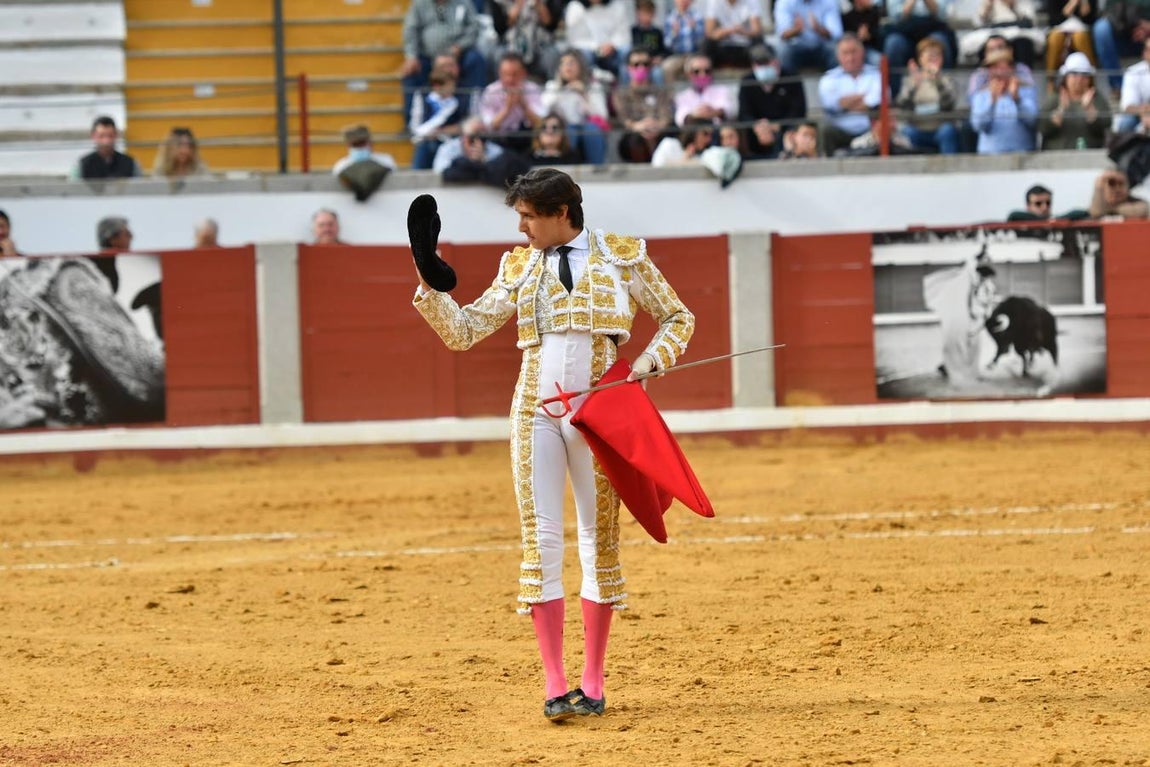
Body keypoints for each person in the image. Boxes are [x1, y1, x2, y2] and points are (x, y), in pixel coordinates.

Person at [410, 167, 695, 722]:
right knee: (540, 541)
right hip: (533, 410)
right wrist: (428, 283)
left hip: (599, 413)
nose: (521, 228)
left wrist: (647, 362)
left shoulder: (622, 255)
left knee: (597, 538)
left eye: (528, 217)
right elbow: (464, 332)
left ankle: (593, 681)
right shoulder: (518, 265)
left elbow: (677, 317)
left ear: (562, 212)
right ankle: (555, 684)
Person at [400, 0, 489, 123]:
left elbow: (474, 27)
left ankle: (475, 115)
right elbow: (410, 30)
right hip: (429, 56)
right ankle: (412, 121)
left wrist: (459, 46)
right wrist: (411, 56)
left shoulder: (463, 3)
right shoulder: (419, 4)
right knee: (411, 70)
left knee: (476, 60)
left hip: (459, 54)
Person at [923, 246, 998, 385]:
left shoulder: (987, 286)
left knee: (974, 347)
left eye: (987, 277)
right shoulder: (969, 280)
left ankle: (971, 371)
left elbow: (986, 302)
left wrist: (986, 312)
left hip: (976, 320)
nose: (986, 279)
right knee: (958, 344)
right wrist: (980, 253)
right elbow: (970, 266)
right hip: (965, 319)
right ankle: (949, 367)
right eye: (985, 276)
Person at [736, 43, 808, 159]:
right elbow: (744, 113)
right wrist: (758, 126)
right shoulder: (747, 81)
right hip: (757, 132)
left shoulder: (791, 77)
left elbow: (799, 110)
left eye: (766, 62)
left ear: (776, 61)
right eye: (759, 63)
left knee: (794, 131)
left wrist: (779, 125)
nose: (763, 67)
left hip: (785, 128)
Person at [818, 34, 885, 156]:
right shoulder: (829, 78)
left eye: (854, 52)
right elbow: (832, 104)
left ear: (862, 52)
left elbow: (878, 101)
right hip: (840, 131)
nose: (850, 58)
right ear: (838, 56)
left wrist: (846, 105)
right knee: (825, 129)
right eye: (845, 53)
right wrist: (862, 98)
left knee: (884, 126)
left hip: (869, 130)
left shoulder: (875, 74)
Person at [541, 51, 610, 165]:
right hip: (564, 127)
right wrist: (561, 90)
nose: (568, 67)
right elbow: (543, 111)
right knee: (569, 130)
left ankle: (598, 168)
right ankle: (565, 170)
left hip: (587, 127)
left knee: (591, 130)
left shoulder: (593, 86)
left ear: (580, 66)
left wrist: (584, 95)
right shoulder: (552, 86)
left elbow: (602, 116)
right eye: (563, 63)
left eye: (571, 63)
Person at [895, 37, 959, 154]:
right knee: (907, 132)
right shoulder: (910, 81)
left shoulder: (947, 80)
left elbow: (949, 106)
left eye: (937, 55)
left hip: (939, 128)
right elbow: (903, 106)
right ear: (920, 58)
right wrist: (914, 86)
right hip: (917, 128)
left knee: (948, 131)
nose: (933, 58)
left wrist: (938, 82)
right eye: (930, 55)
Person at [969, 47, 1038, 154]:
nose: (998, 72)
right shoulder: (981, 94)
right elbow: (978, 125)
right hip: (990, 155)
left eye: (1001, 67)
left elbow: (1033, 121)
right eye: (993, 67)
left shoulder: (1026, 90)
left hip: (1023, 154)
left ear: (1011, 68)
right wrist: (992, 101)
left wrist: (1017, 99)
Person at [613, 49, 676, 162]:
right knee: (634, 141)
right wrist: (638, 126)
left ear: (651, 67)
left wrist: (657, 126)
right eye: (636, 64)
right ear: (628, 68)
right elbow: (623, 117)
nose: (641, 68)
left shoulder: (660, 91)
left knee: (670, 138)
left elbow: (665, 115)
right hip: (634, 133)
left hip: (658, 131)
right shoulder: (621, 93)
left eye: (645, 64)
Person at [882, 0, 957, 95]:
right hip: (904, 31)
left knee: (940, 41)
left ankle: (945, 92)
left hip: (933, 27)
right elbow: (896, 15)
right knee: (893, 44)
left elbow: (941, 14)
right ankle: (896, 95)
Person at [478, 52, 546, 155]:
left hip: (527, 140)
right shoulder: (491, 91)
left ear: (523, 73)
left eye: (515, 74)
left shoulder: (532, 89)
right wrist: (507, 108)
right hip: (500, 140)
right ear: (499, 73)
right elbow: (489, 126)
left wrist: (523, 105)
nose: (509, 79)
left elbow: (540, 123)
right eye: (505, 74)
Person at [1039, 52, 1109, 150]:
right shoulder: (1054, 99)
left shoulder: (1097, 99)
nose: (1079, 79)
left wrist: (1090, 111)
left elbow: (1105, 127)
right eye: (1074, 74)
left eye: (1084, 75)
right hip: (1057, 156)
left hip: (1090, 156)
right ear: (1065, 77)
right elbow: (1042, 128)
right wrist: (1060, 112)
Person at [488, 0, 564, 81]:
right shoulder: (499, 2)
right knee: (497, 54)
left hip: (540, 44)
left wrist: (538, 5)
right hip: (510, 44)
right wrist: (518, 6)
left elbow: (551, 26)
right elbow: (499, 28)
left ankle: (553, 86)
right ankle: (499, 87)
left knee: (552, 54)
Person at [960, 0, 1044, 69]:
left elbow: (1030, 21)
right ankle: (986, 76)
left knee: (1023, 43)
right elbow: (977, 23)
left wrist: (1013, 6)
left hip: (1018, 30)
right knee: (989, 44)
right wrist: (987, 7)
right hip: (992, 30)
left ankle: (1023, 75)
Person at [409, 66, 465, 170]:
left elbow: (460, 126)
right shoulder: (424, 98)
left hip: (448, 140)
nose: (453, 88)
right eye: (449, 85)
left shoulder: (457, 102)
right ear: (437, 86)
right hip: (426, 140)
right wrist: (427, 133)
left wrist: (441, 131)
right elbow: (415, 123)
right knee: (425, 147)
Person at [563, 0, 631, 79]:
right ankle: (585, 84)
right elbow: (575, 39)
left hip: (612, 50)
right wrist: (597, 47)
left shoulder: (617, 5)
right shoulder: (575, 7)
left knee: (626, 51)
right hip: (588, 50)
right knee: (584, 55)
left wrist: (612, 45)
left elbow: (623, 34)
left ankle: (625, 84)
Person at [1092, 0, 1150, 92]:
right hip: (1120, 36)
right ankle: (1119, 86)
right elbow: (1110, 12)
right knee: (1101, 29)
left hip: (1146, 39)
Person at [772, 0, 843, 73]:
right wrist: (796, 29)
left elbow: (836, 33)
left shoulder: (829, 2)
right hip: (796, 47)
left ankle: (836, 78)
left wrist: (818, 29)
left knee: (836, 47)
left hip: (822, 46)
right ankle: (789, 80)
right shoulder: (784, 2)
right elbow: (782, 34)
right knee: (783, 50)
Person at [72, 116, 141, 180]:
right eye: (101, 136)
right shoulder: (82, 165)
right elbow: (73, 188)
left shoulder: (130, 163)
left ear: (116, 135)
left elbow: (139, 187)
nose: (106, 141)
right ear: (93, 136)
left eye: (110, 136)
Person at [674, 54, 734, 126]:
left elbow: (728, 110)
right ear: (688, 74)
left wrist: (712, 112)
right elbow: (680, 118)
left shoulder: (722, 90)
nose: (702, 75)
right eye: (696, 71)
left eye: (707, 71)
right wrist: (696, 115)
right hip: (694, 130)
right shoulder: (682, 96)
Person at [703, 0, 765, 70]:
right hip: (722, 45)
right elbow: (709, 33)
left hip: (746, 46)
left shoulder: (751, 1)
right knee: (706, 43)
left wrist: (743, 31)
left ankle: (761, 70)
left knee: (759, 41)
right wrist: (727, 31)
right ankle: (702, 72)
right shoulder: (713, 2)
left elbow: (757, 31)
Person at [1045, 0, 1097, 74]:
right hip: (1059, 28)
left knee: (1080, 38)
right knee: (1055, 38)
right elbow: (1053, 21)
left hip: (1082, 29)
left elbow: (1089, 20)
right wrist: (1073, 3)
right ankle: (1051, 77)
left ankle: (1091, 75)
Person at [662, 0, 707, 83]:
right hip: (677, 55)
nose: (683, 2)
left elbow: (703, 41)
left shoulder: (697, 16)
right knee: (667, 67)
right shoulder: (670, 18)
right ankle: (671, 91)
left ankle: (696, 91)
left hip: (694, 54)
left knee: (693, 68)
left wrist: (694, 29)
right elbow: (667, 44)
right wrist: (674, 34)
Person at [629, 0, 670, 84]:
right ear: (638, 14)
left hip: (653, 64)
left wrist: (660, 58)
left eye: (648, 13)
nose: (646, 16)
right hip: (638, 63)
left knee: (657, 73)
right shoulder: (634, 31)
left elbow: (664, 50)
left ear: (653, 14)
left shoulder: (657, 32)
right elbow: (635, 48)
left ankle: (659, 92)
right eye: (643, 13)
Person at [651, 116, 715, 165]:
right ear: (693, 133)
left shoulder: (705, 155)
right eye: (705, 134)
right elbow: (657, 167)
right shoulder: (669, 144)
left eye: (711, 135)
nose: (709, 139)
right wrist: (685, 159)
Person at [1118, 39, 1150, 133]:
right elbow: (1128, 106)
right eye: (1148, 50)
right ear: (1144, 53)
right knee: (1126, 122)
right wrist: (1143, 112)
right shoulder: (1133, 72)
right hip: (1140, 115)